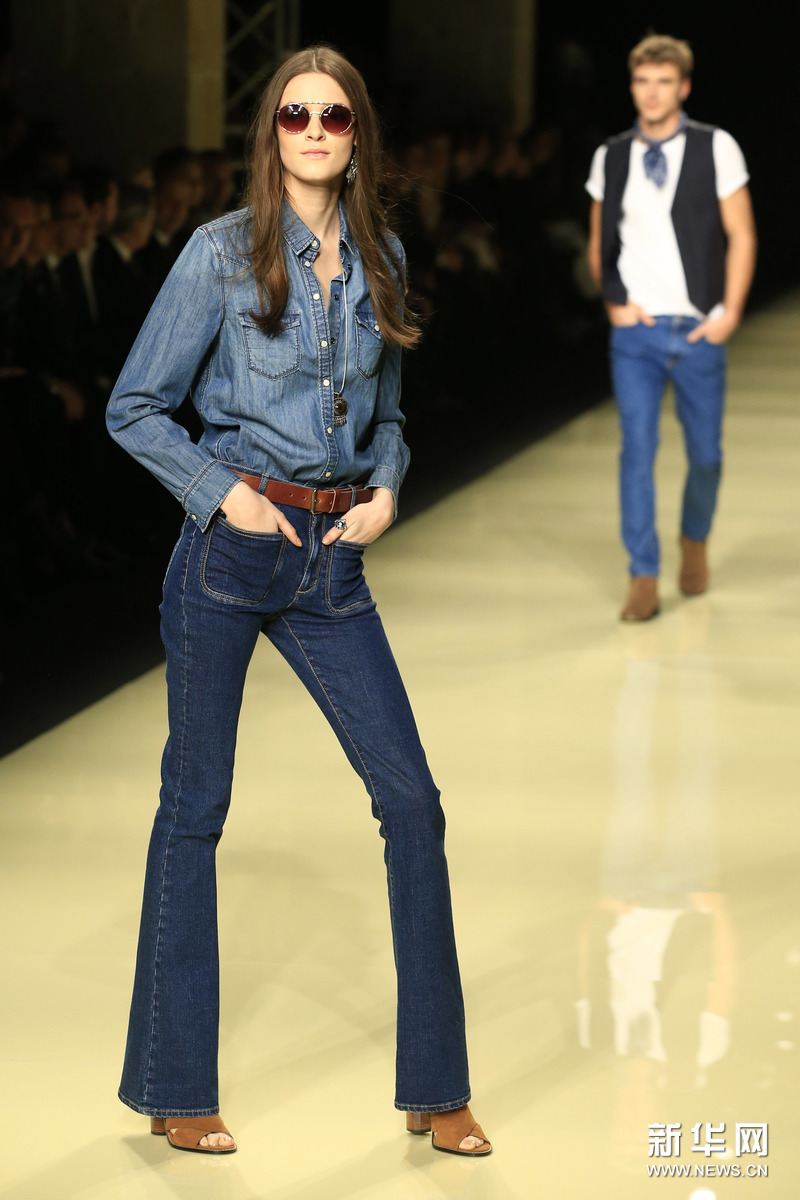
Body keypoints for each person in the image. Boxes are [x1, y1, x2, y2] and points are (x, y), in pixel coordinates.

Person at [106, 45, 491, 1159]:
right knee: (195, 809)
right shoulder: (219, 255)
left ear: (357, 134)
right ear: (269, 134)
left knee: (411, 803)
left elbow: (388, 418)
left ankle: (437, 1085)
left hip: (333, 566)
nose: (314, 130)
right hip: (228, 556)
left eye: (332, 115)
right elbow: (135, 406)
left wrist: (387, 490)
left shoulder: (383, 256)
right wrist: (222, 495)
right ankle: (176, 1086)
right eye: (293, 114)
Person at [586, 35, 756, 621]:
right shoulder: (611, 155)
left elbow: (742, 234)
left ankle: (694, 539)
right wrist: (615, 303)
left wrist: (730, 313)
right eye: (642, 82)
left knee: (706, 454)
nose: (652, 93)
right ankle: (643, 574)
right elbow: (600, 240)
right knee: (637, 448)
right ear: (632, 86)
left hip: (697, 328)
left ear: (683, 87)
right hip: (636, 332)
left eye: (663, 82)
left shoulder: (716, 146)